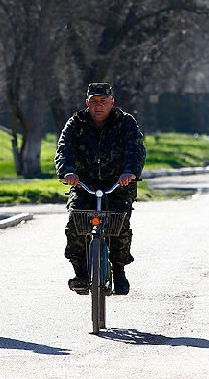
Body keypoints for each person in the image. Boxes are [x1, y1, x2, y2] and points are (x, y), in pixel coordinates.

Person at [55, 83, 146, 296]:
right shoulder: (76, 123)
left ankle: (119, 270)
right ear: (87, 103)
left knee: (120, 224)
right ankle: (81, 274)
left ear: (111, 102)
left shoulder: (125, 122)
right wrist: (68, 172)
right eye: (94, 102)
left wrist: (130, 172)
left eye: (103, 101)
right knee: (76, 224)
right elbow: (64, 149)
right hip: (84, 185)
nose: (98, 106)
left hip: (117, 186)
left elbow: (136, 149)